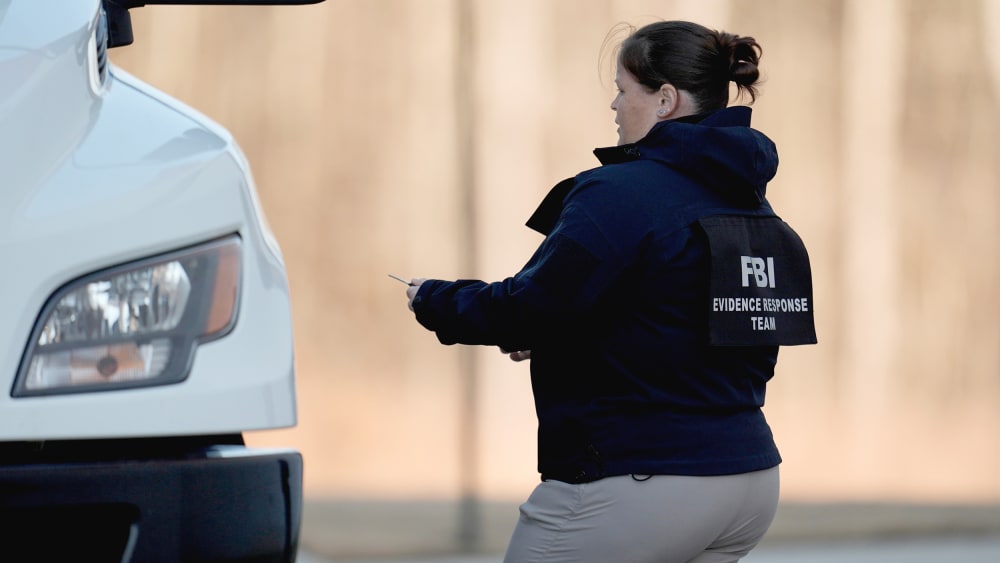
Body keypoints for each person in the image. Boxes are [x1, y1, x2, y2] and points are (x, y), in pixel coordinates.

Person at [402, 20, 816, 563]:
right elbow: (683, 330)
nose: (615, 108)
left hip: (638, 484)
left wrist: (434, 298)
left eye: (623, 90)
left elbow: (529, 308)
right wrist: (562, 338)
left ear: (665, 99)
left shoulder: (618, 195)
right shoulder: (756, 211)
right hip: (749, 482)